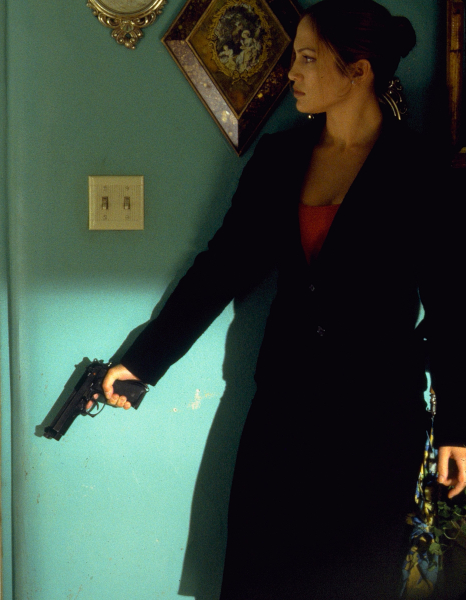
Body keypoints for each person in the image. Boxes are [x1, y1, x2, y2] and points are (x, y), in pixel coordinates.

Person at [95, 1, 466, 597]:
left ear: (359, 71)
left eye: (308, 58)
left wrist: (456, 427)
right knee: (261, 579)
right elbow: (221, 270)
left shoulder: (420, 171)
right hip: (284, 413)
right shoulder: (279, 161)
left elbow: (452, 309)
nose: (290, 72)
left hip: (377, 423)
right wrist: (145, 360)